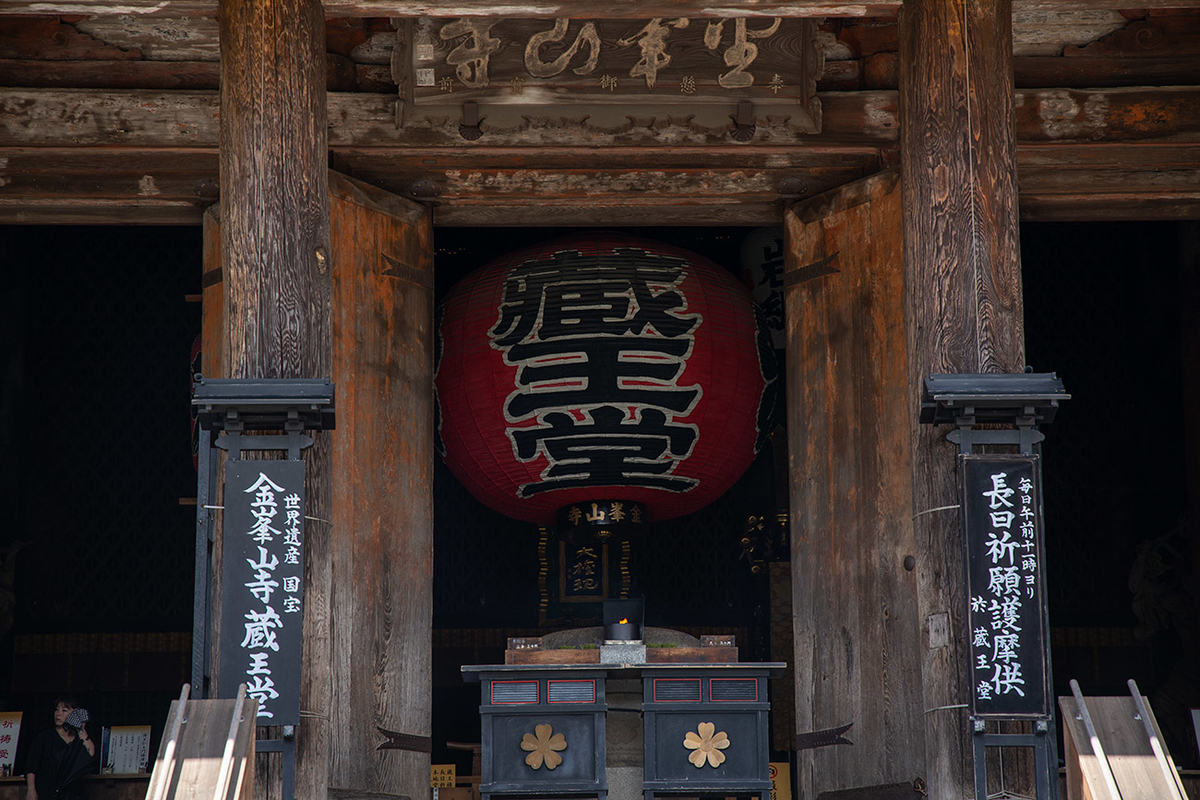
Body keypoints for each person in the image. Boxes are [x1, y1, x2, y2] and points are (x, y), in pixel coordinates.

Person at [24, 695, 96, 800]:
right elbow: (31, 766)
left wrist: (81, 730)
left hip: (72, 794)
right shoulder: (44, 738)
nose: (58, 713)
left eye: (64, 710)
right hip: (48, 792)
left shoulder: (78, 741)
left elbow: (90, 754)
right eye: (57, 709)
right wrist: (31, 789)